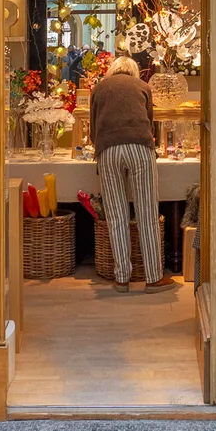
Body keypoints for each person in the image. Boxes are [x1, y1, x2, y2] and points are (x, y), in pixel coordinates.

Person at [89, 56, 173, 293]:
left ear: (112, 71)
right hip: (139, 147)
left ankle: (122, 279)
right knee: (147, 213)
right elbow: (149, 122)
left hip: (107, 150)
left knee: (116, 216)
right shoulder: (143, 87)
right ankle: (153, 278)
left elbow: (93, 128)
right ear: (133, 72)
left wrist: (101, 144)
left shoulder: (98, 89)